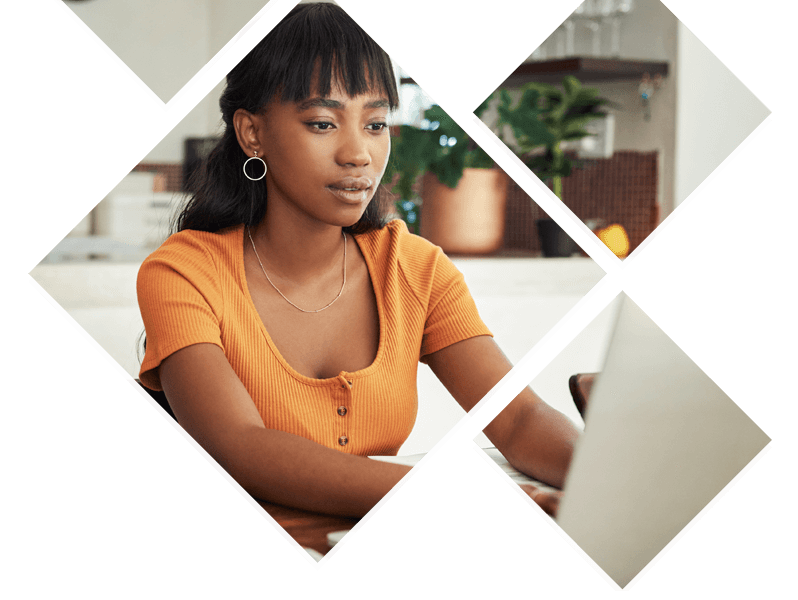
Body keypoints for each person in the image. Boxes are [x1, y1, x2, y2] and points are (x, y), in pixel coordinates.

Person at [136, 3, 580, 519]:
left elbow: (519, 417)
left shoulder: (414, 267)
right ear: (252, 133)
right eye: (323, 123)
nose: (359, 154)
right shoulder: (183, 272)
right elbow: (241, 449)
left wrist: (605, 480)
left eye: (375, 124)